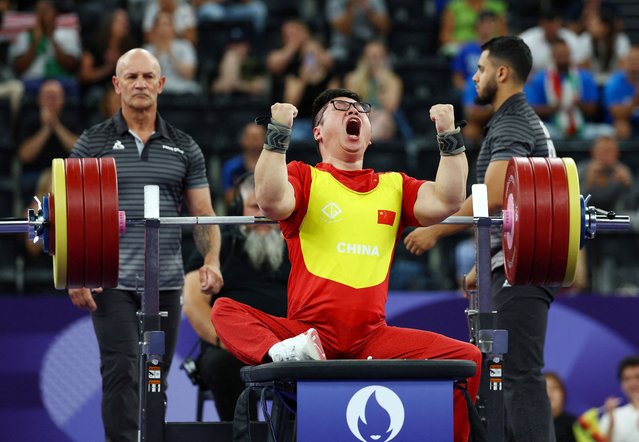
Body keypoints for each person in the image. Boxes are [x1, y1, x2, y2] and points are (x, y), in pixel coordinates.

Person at [212, 87, 482, 442]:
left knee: (468, 358)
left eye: (360, 109)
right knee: (224, 311)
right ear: (319, 132)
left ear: (368, 134)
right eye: (340, 108)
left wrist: (449, 134)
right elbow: (270, 199)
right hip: (308, 336)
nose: (353, 111)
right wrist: (277, 133)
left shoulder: (395, 187)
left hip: (372, 338)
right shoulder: (305, 177)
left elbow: (448, 199)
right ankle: (285, 354)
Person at [66, 48, 224, 442]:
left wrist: (212, 258)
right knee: (121, 372)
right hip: (110, 281)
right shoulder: (93, 141)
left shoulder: (184, 146)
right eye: (131, 77)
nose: (140, 83)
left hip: (166, 283)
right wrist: (75, 274)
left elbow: (203, 214)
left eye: (147, 76)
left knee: (156, 377)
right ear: (117, 85)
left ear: (161, 84)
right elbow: (68, 212)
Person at [404, 36, 556, 442]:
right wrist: (482, 265)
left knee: (519, 374)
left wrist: (436, 228)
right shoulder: (515, 120)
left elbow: (489, 197)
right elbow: (511, 207)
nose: (474, 77)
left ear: (502, 73)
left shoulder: (513, 122)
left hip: (523, 271)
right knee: (505, 376)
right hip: (511, 266)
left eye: (482, 69)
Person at [183, 172, 289, 421]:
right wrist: (235, 343)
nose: (263, 215)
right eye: (255, 206)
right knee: (221, 364)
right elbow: (193, 303)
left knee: (311, 367)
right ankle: (241, 434)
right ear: (238, 208)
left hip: (289, 346)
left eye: (269, 207)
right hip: (230, 348)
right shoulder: (216, 248)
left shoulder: (300, 245)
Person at [525, 38, 613, 140]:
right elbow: (532, 111)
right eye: (559, 54)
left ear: (570, 55)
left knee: (608, 132)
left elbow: (593, 110)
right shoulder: (539, 79)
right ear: (552, 56)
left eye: (565, 54)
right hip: (552, 127)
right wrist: (557, 106)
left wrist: (577, 103)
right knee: (531, 133)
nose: (562, 58)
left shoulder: (585, 77)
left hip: (582, 127)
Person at [16, 78, 80, 204]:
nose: (51, 102)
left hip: (65, 171)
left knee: (55, 181)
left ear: (63, 100)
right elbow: (24, 155)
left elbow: (80, 150)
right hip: (36, 172)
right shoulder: (29, 119)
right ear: (39, 99)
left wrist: (56, 126)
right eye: (47, 97)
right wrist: (46, 129)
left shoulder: (72, 118)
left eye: (55, 97)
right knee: (47, 182)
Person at [8, 0, 81, 97]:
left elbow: (72, 65)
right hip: (32, 80)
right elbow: (19, 68)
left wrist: (51, 38)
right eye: (39, 11)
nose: (43, 15)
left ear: (55, 14)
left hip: (62, 79)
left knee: (72, 86)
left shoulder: (68, 34)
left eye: (46, 11)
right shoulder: (24, 36)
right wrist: (35, 42)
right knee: (19, 89)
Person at [220, 122, 265, 207]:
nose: (254, 142)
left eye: (257, 138)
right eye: (250, 137)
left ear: (265, 141)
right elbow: (229, 198)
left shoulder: (272, 168)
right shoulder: (231, 167)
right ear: (242, 140)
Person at [599, 355, 639, 442]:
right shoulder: (612, 416)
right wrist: (611, 423)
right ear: (622, 385)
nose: (633, 384)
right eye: (627, 379)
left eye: (637, 377)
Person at [603, 46, 639, 140]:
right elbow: (617, 114)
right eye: (631, 60)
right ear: (625, 62)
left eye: (637, 61)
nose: (634, 64)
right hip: (622, 121)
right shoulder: (615, 83)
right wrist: (636, 99)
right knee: (622, 127)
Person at [544, 372, 577, 442]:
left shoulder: (575, 426)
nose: (549, 393)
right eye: (544, 389)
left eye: (554, 388)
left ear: (563, 394)